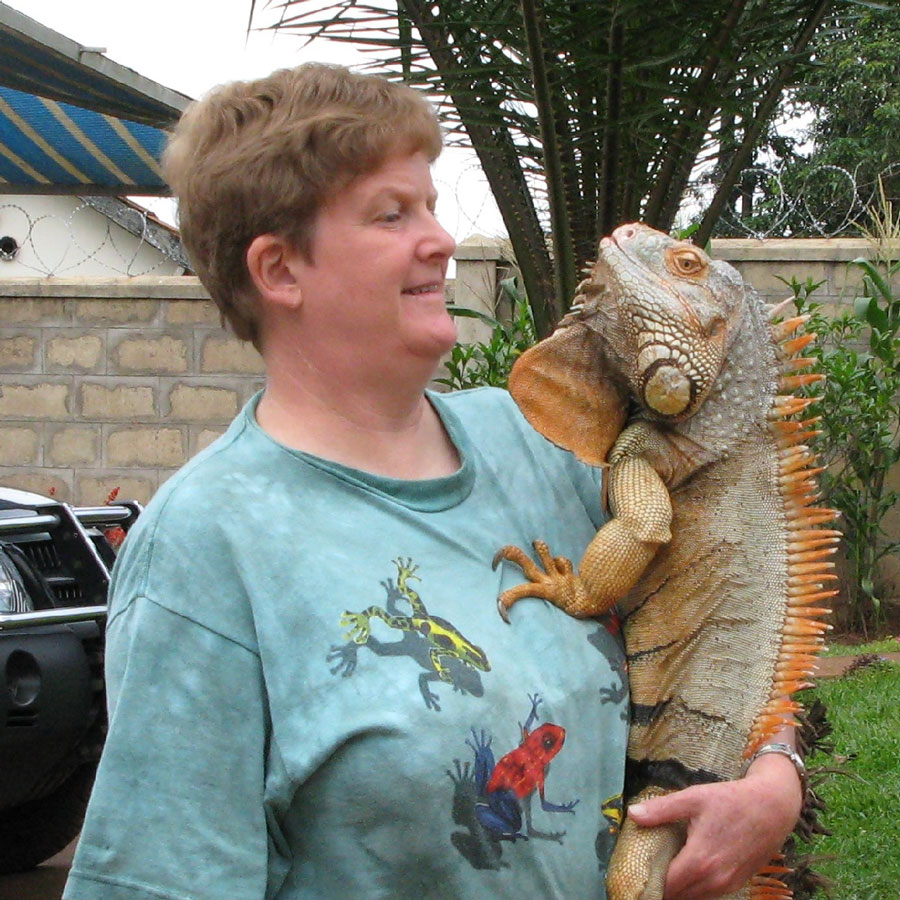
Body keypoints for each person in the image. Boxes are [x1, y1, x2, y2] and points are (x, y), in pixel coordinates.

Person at [63, 64, 802, 900]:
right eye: (391, 214)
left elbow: (734, 625)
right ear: (279, 271)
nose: (441, 240)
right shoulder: (205, 549)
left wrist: (775, 776)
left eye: (432, 206)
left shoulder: (541, 448)